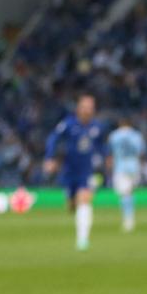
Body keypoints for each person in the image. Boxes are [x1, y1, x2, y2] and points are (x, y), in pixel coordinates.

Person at [43, 94, 106, 251]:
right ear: (79, 108)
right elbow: (53, 138)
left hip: (87, 170)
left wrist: (106, 158)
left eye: (91, 107)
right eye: (85, 107)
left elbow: (102, 146)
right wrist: (50, 158)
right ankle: (73, 204)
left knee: (84, 200)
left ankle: (82, 240)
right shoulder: (68, 124)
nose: (88, 110)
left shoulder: (97, 127)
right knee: (72, 205)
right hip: (69, 171)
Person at [107, 117, 146, 232]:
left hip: (121, 167)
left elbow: (110, 152)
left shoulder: (114, 135)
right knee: (130, 192)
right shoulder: (137, 135)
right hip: (134, 166)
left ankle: (127, 219)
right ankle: (130, 218)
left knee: (124, 194)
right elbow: (141, 152)